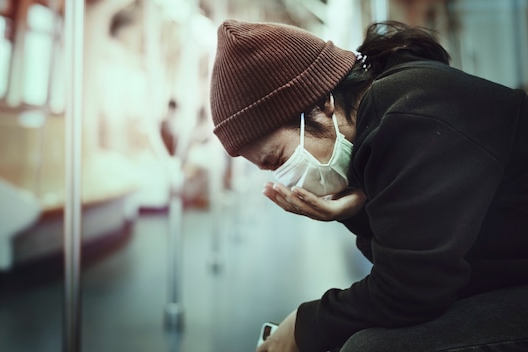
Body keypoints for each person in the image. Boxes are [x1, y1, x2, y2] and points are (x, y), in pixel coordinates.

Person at [209, 19, 528, 352]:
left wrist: (303, 326)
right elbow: (410, 260)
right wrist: (359, 207)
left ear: (321, 105)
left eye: (277, 159)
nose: (282, 177)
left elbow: (410, 290)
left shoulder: (413, 115)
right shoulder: (383, 120)